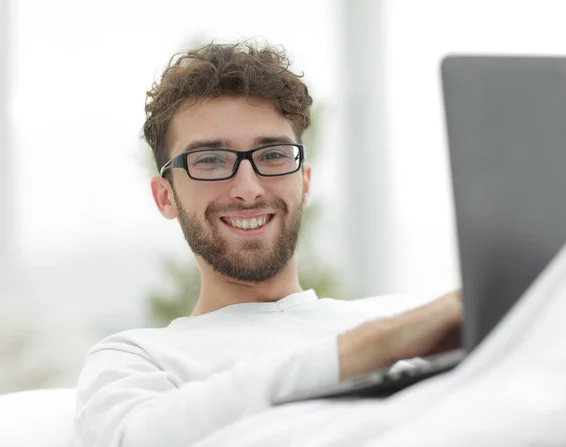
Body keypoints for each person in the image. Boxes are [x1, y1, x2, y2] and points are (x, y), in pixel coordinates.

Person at [74, 41, 462, 447]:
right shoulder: (137, 360)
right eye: (209, 160)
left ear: (304, 183)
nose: (248, 189)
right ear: (165, 197)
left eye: (273, 154)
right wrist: (366, 350)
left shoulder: (405, 318)